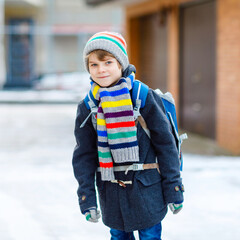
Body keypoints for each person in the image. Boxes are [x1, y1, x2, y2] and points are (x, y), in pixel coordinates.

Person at [72, 31, 184, 240]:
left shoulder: (143, 96)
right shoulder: (88, 107)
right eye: (94, 64)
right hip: (111, 194)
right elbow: (83, 156)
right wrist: (87, 198)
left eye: (107, 62)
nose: (101, 70)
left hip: (148, 190)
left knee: (150, 236)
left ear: (120, 64)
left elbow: (166, 145)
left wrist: (174, 189)